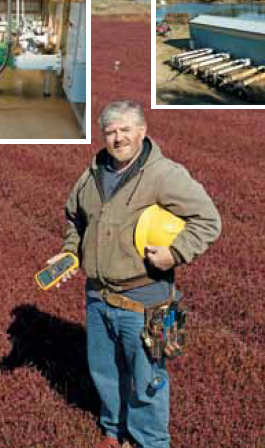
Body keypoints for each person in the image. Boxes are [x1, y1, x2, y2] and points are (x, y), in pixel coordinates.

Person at [48, 100, 222, 448]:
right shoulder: (93, 173)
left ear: (142, 132)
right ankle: (114, 432)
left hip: (147, 298)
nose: (117, 138)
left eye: (125, 130)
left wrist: (174, 253)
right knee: (105, 372)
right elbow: (75, 218)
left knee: (148, 379)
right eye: (110, 131)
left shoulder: (164, 174)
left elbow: (209, 220)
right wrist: (71, 251)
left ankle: (150, 443)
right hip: (98, 297)